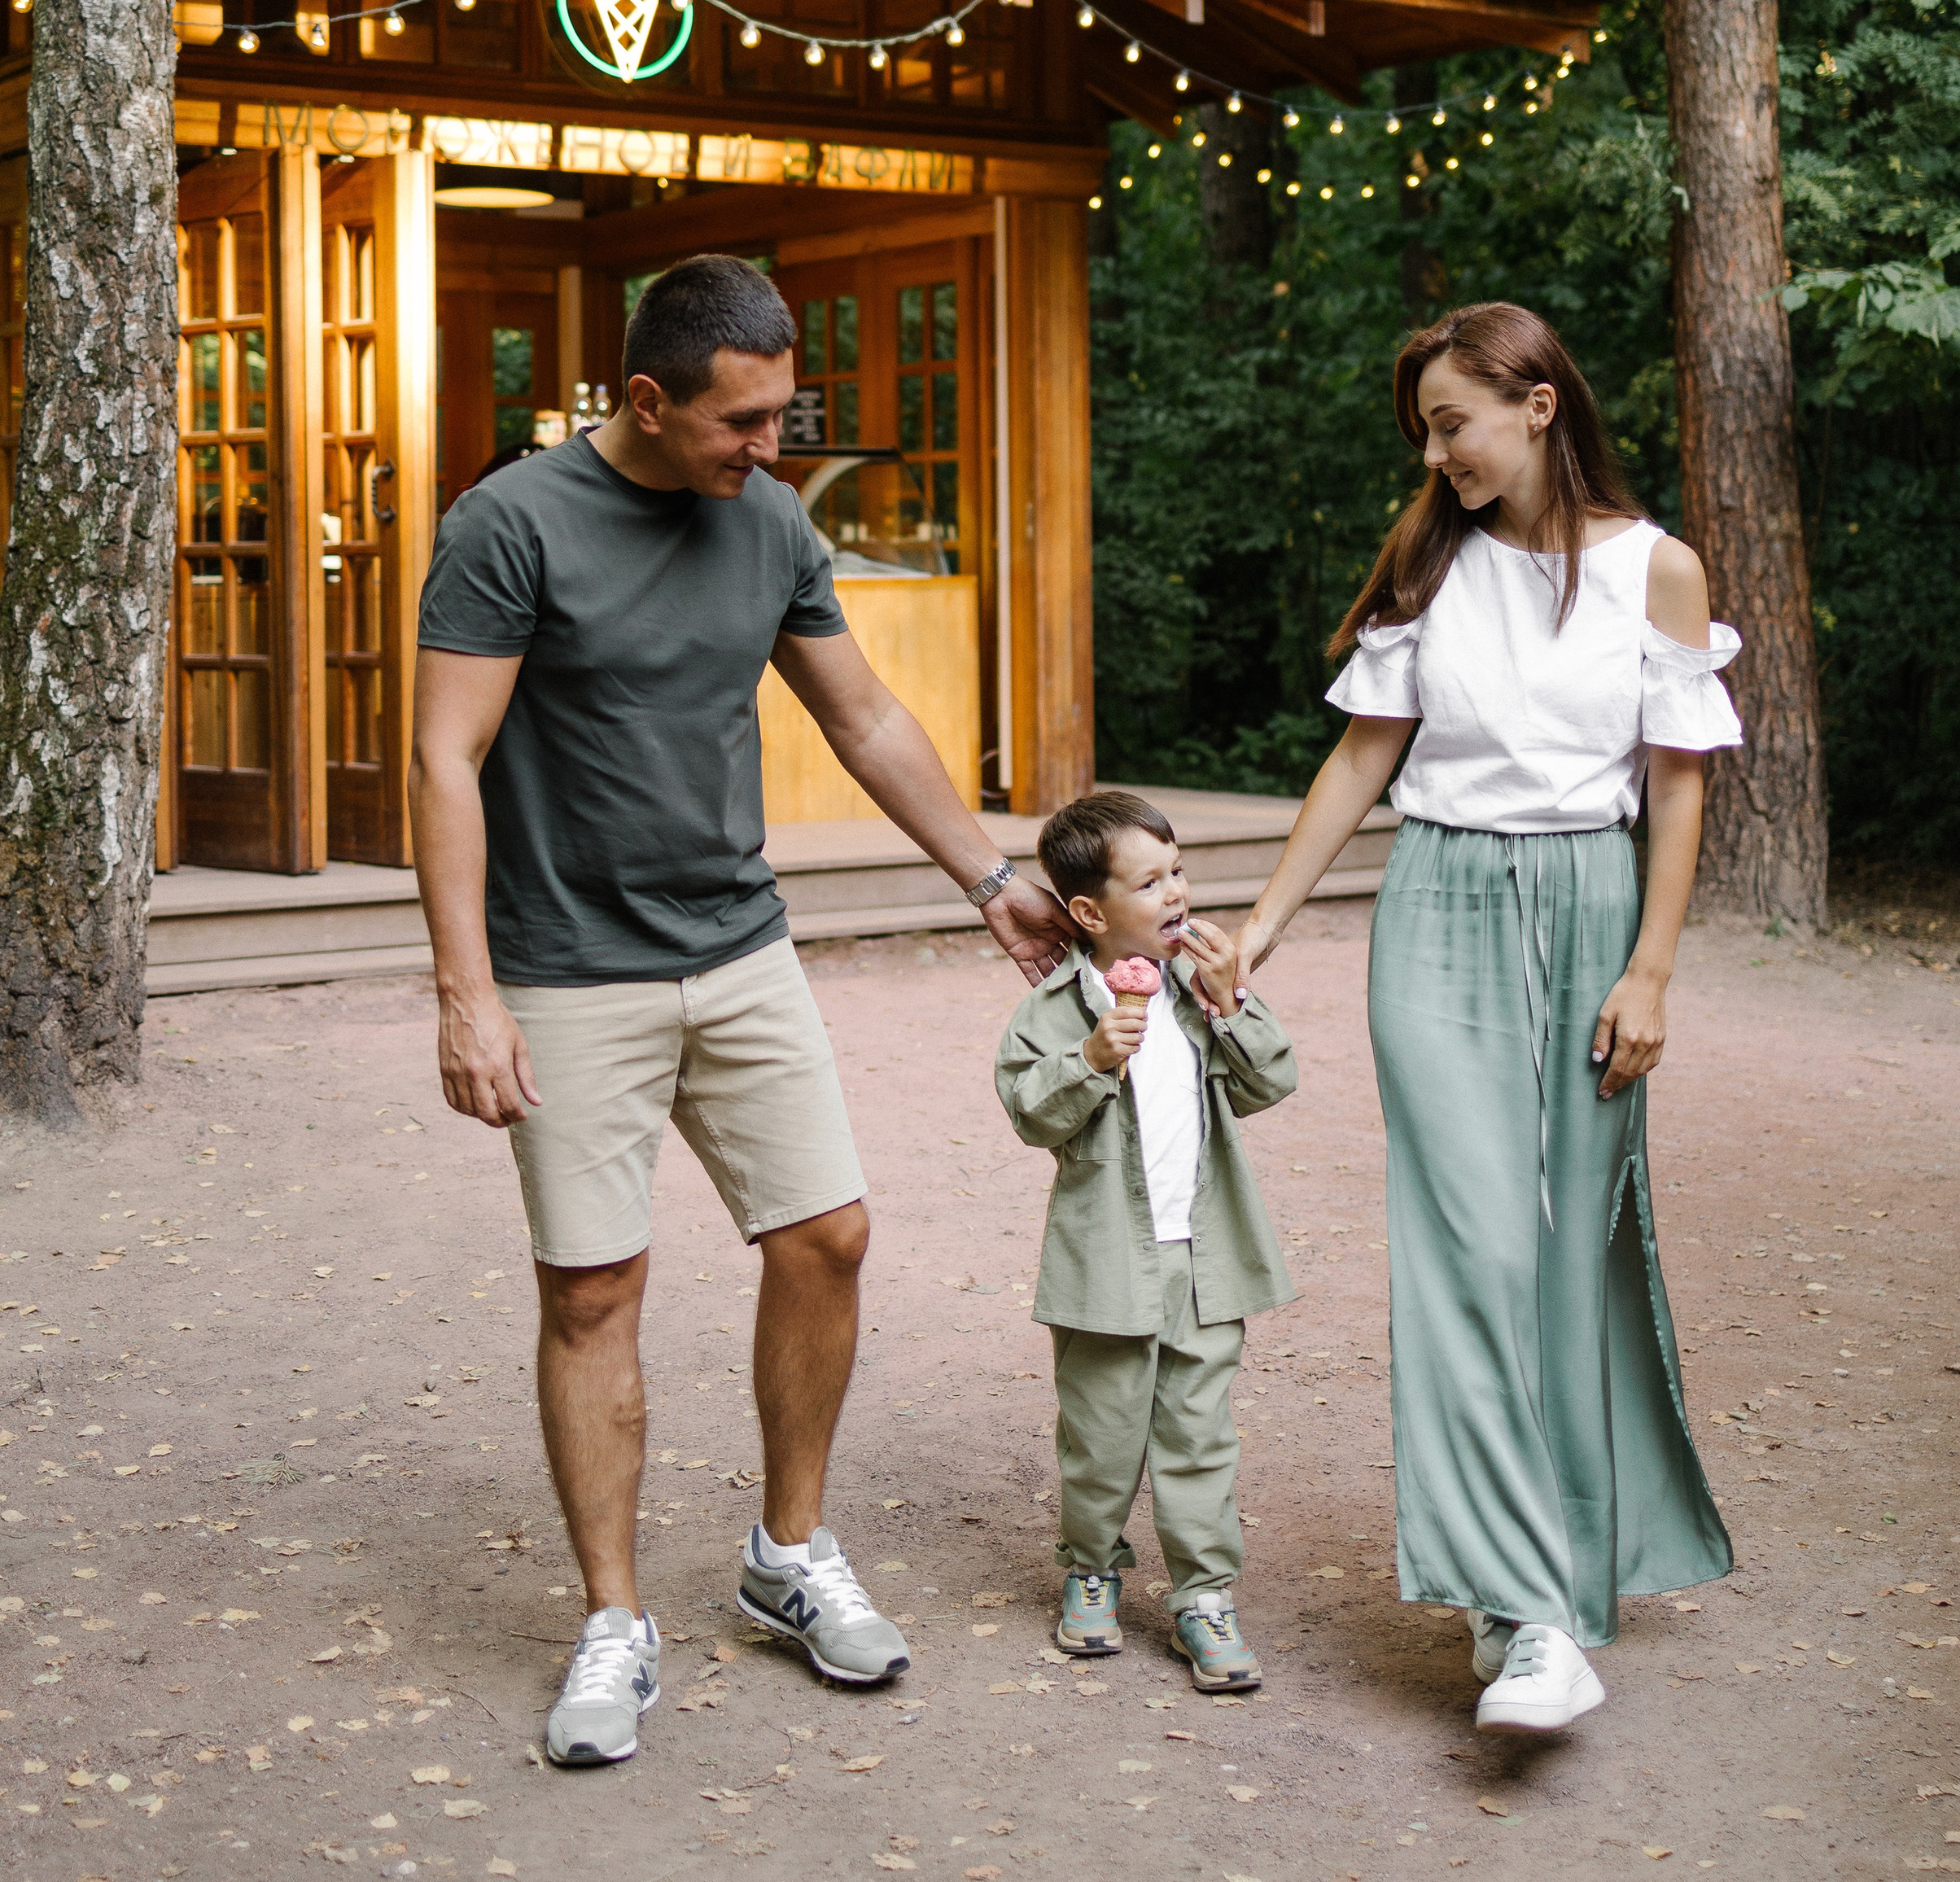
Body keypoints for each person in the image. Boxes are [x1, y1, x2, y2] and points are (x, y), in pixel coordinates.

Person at [408, 252, 1070, 1770]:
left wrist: (990, 879)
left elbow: (864, 715)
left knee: (827, 1232)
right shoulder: (509, 526)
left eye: (786, 415)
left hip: (741, 943)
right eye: (745, 422)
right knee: (594, 1288)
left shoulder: (768, 520)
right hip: (570, 965)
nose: (773, 448)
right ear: (648, 399)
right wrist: (466, 996)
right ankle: (614, 1622)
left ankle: (787, 1555)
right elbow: (447, 759)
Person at [1236, 301, 1741, 1736]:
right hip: (1440, 908)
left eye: (1451, 421)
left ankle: (1554, 1583)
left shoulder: (1660, 571)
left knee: (1566, 1256)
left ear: (1535, 404)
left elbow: (1682, 781)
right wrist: (1266, 924)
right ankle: (1522, 1618)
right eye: (1424, 431)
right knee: (1467, 1248)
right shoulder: (1427, 562)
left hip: (1592, 906)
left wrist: (1650, 970)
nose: (1436, 451)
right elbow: (1361, 759)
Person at [995, 790, 1297, 1692]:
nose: (1176, 895)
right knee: (1102, 1432)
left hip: (1206, 1261)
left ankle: (1203, 1596)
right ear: (1089, 913)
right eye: (1150, 881)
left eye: (1178, 873)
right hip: (1105, 1267)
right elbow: (1028, 1111)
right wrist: (1090, 1057)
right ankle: (1090, 1568)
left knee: (1200, 1438)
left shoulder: (1195, 994)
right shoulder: (1054, 1010)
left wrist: (1228, 998)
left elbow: (1270, 1079)